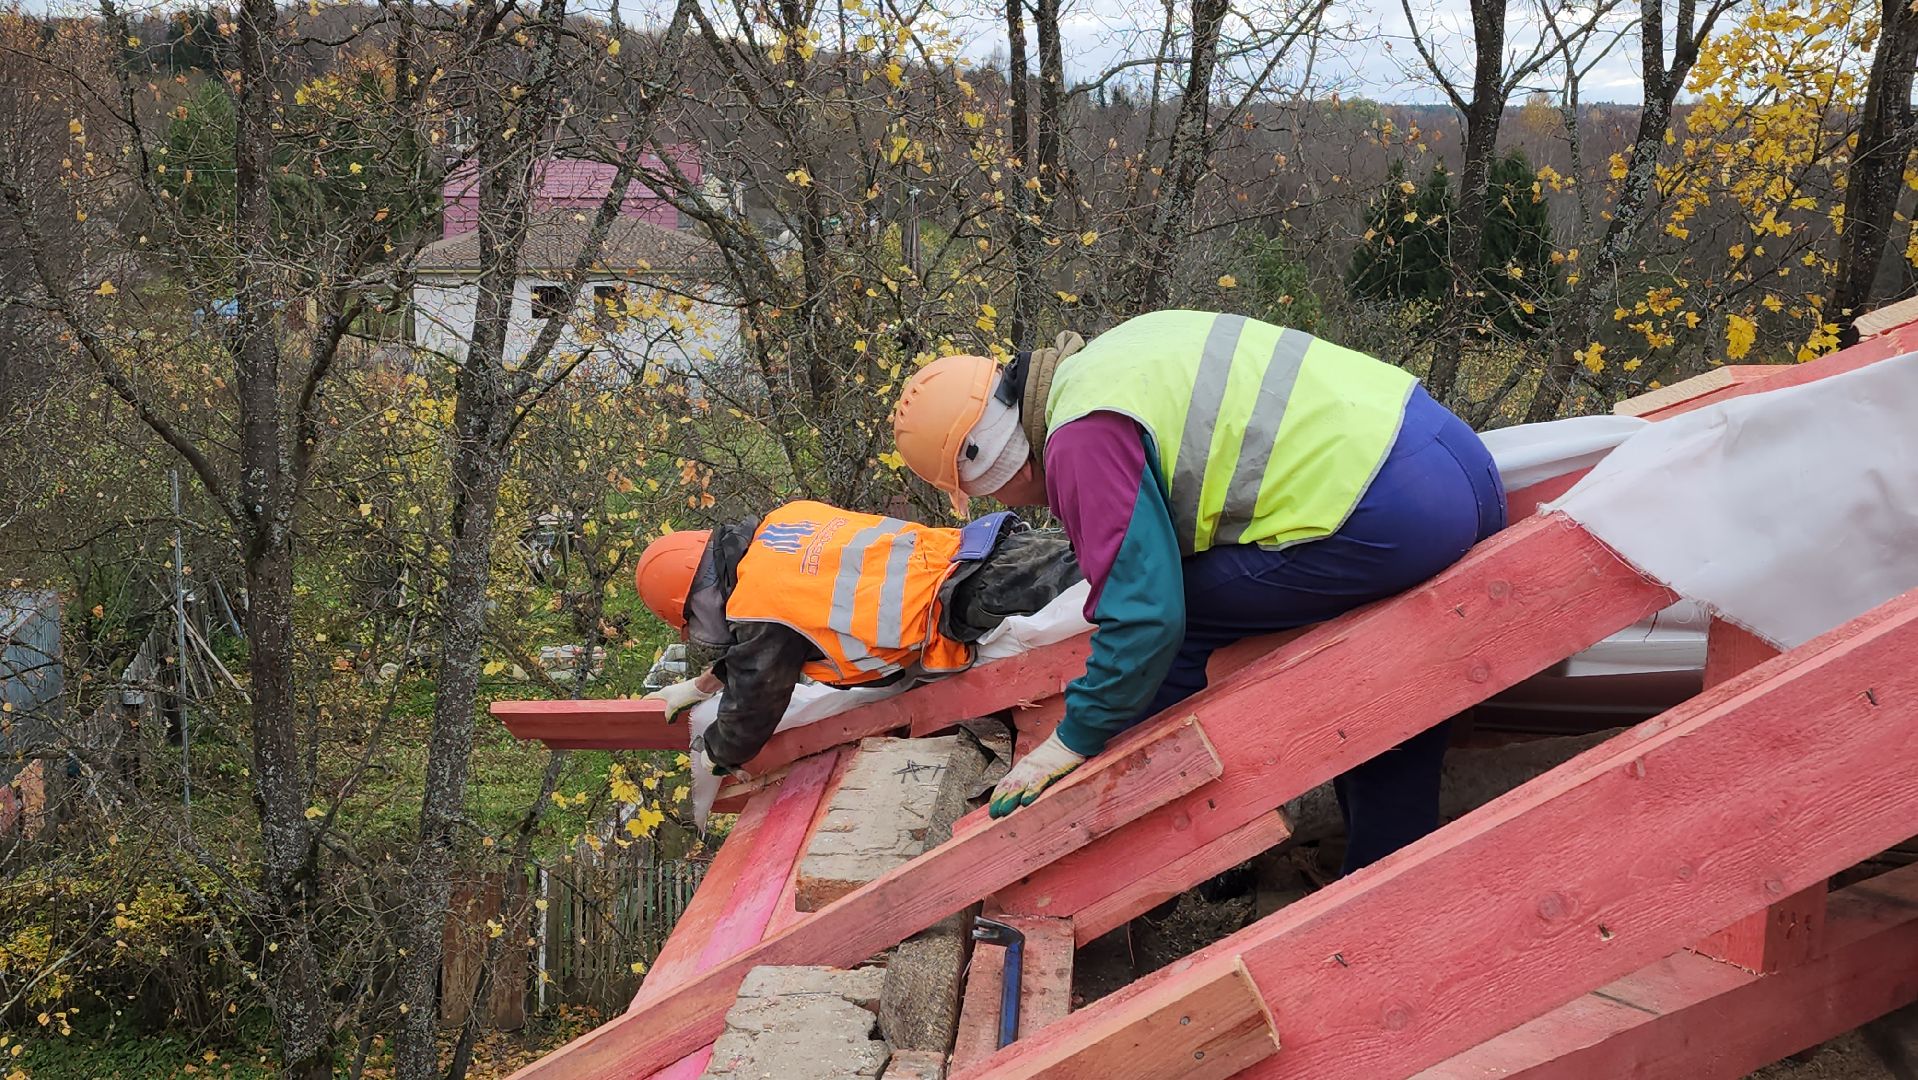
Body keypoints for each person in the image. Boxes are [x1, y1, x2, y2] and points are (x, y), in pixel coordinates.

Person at [890, 310, 1506, 873]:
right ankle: (1385, 869)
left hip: (1391, 512)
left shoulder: (1080, 437)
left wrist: (1075, 739)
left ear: (997, 465)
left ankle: (1130, 839)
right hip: (1458, 466)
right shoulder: (1108, 360)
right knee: (1386, 665)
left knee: (1180, 617)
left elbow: (1148, 618)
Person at [633, 499, 1080, 774]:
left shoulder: (759, 602)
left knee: (1127, 589)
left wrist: (716, 754)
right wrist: (703, 684)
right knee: (1113, 557)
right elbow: (785, 629)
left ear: (696, 601)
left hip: (975, 603)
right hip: (989, 554)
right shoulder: (785, 523)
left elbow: (757, 698)